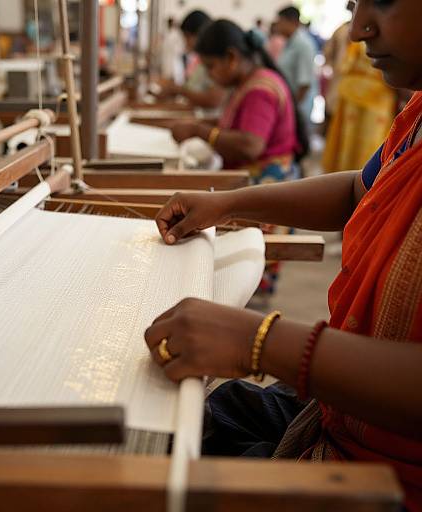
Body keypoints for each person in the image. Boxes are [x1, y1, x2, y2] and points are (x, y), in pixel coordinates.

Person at [144, 0, 422, 510]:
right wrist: (227, 203)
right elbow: (360, 191)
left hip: (397, 471)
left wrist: (259, 340)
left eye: (383, 1)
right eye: (353, 4)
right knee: (214, 416)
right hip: (346, 416)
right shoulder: (418, 119)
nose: (359, 28)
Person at [169, 20, 309, 295]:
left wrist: (200, 130)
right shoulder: (251, 82)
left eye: (210, 67)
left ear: (231, 58)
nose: (209, 75)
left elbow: (250, 145)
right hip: (258, 184)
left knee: (241, 281)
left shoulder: (259, 89)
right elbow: (236, 125)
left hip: (265, 188)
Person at [322, 40, 396, 172]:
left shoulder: (358, 42)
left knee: (350, 141)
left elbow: (344, 65)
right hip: (372, 98)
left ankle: (352, 177)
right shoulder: (389, 41)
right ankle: (363, 180)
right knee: (367, 142)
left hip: (357, 96)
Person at [155, 10, 226, 111]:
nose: (185, 42)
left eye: (187, 37)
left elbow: (214, 100)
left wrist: (179, 90)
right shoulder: (198, 61)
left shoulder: (215, 62)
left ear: (200, 35)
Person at [276, 6, 318, 126]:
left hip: (298, 107)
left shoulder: (303, 45)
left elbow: (304, 84)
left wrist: (292, 108)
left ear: (292, 22)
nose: (277, 25)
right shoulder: (290, 43)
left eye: (280, 21)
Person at [160, 18, 185, 85]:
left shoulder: (176, 33)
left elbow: (180, 45)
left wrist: (176, 51)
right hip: (167, 56)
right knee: (167, 73)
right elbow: (164, 45)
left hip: (174, 56)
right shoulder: (167, 33)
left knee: (175, 72)